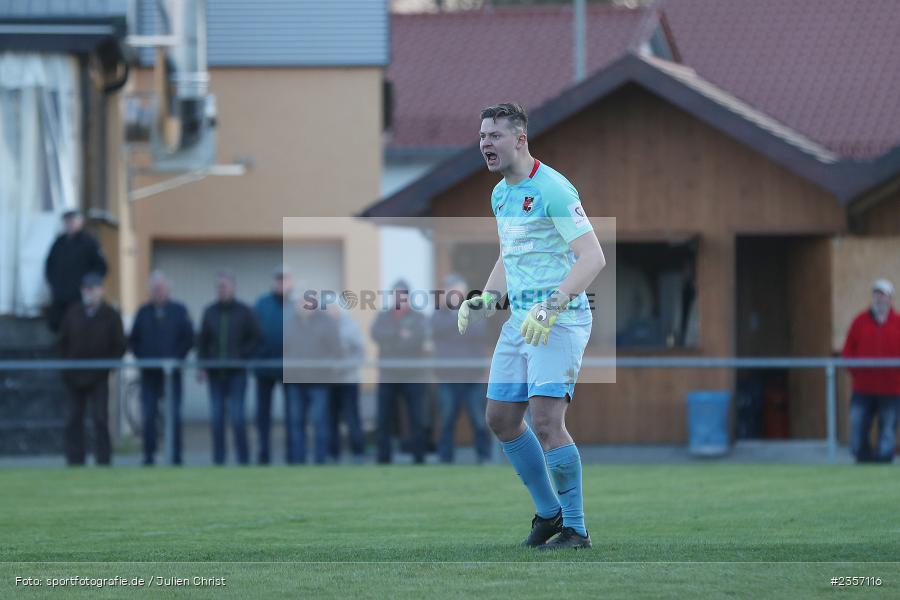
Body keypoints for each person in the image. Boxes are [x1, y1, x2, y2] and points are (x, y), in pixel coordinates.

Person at [457, 103, 605, 549]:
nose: (485, 143)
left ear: (520, 139)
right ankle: (549, 513)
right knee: (500, 418)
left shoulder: (554, 189)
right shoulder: (501, 194)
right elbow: (511, 253)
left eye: (495, 136)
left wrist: (552, 306)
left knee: (545, 421)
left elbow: (593, 257)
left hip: (558, 320)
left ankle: (576, 528)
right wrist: (485, 295)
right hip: (520, 320)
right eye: (482, 136)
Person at [58, 273, 126, 466]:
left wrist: (108, 367)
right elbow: (62, 342)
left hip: (98, 377)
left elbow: (119, 345)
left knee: (100, 419)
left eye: (92, 288)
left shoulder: (111, 316)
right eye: (85, 288)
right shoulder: (73, 313)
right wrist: (67, 368)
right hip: (74, 377)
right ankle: (75, 461)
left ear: (101, 290)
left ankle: (103, 461)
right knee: (73, 419)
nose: (88, 292)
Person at [129, 271, 194, 466]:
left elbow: (188, 338)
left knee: (173, 416)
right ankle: (149, 456)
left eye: (161, 289)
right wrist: (144, 358)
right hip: (149, 375)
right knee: (148, 415)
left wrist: (176, 359)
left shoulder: (179, 311)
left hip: (172, 374)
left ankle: (175, 456)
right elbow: (134, 340)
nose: (158, 292)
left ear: (168, 290)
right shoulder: (143, 312)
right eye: (155, 289)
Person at [197, 271, 261, 465]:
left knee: (237, 418)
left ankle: (243, 460)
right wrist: (202, 365)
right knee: (216, 419)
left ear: (233, 288)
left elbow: (256, 338)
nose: (222, 290)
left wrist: (242, 355)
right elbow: (202, 341)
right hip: (216, 375)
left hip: (237, 374)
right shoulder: (210, 312)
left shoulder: (244, 311)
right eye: (219, 287)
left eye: (225, 286)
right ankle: (219, 460)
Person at [432, 274, 492, 464]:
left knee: (479, 420)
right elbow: (436, 328)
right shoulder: (437, 314)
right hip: (448, 377)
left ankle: (484, 457)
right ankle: (445, 459)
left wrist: (456, 325)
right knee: (446, 420)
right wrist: (460, 322)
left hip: (472, 377)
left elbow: (478, 330)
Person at [842, 278, 900, 463]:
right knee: (858, 424)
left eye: (883, 294)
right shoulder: (859, 321)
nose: (879, 298)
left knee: (888, 428)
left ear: (890, 298)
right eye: (876, 294)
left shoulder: (897, 323)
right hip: (863, 388)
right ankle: (862, 458)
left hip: (891, 389)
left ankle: (884, 459)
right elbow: (848, 351)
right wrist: (857, 372)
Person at [371, 280, 428, 464]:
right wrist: (398, 334)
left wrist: (392, 341)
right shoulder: (383, 316)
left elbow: (417, 340)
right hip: (388, 375)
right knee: (384, 419)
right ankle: (383, 458)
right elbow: (375, 334)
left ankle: (419, 458)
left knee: (417, 418)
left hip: (413, 376)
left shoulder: (418, 317)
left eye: (402, 295)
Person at [283, 290, 341, 464]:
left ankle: (320, 460)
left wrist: (327, 368)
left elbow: (337, 350)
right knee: (296, 422)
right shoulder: (290, 323)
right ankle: (298, 461)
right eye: (300, 302)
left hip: (319, 381)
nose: (303, 305)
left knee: (319, 421)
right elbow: (285, 350)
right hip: (295, 381)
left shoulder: (327, 322)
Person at [253, 266, 293, 465]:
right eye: (278, 280)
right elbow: (252, 333)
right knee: (263, 415)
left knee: (292, 414)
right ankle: (263, 453)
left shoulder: (297, 304)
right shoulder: (262, 304)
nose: (281, 284)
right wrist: (258, 355)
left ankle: (293, 453)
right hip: (265, 369)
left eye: (285, 280)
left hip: (290, 371)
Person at [44, 210, 108, 332]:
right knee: (58, 328)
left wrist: (89, 285)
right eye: (67, 221)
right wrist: (54, 285)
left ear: (80, 222)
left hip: (80, 299)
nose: (69, 224)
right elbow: (49, 266)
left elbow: (101, 267)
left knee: (79, 330)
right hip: (60, 299)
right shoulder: (59, 243)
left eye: (72, 221)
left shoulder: (89, 242)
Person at [326, 302, 367, 462]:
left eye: (333, 307)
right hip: (328, 380)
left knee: (352, 418)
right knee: (330, 419)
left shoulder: (350, 326)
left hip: (349, 380)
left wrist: (344, 367)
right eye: (328, 308)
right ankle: (332, 454)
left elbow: (360, 353)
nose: (330, 311)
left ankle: (358, 453)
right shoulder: (323, 326)